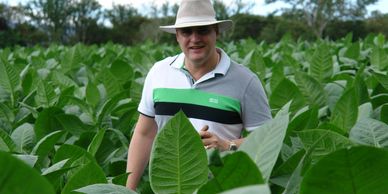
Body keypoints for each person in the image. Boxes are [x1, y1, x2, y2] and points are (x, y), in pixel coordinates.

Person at [126, 0, 272, 190]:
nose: (195, 39)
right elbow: (144, 134)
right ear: (177, 36)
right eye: (187, 32)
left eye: (203, 30)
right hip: (170, 186)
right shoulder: (158, 72)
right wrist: (127, 189)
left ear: (216, 33)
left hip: (220, 187)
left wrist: (228, 146)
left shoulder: (246, 81)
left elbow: (267, 141)